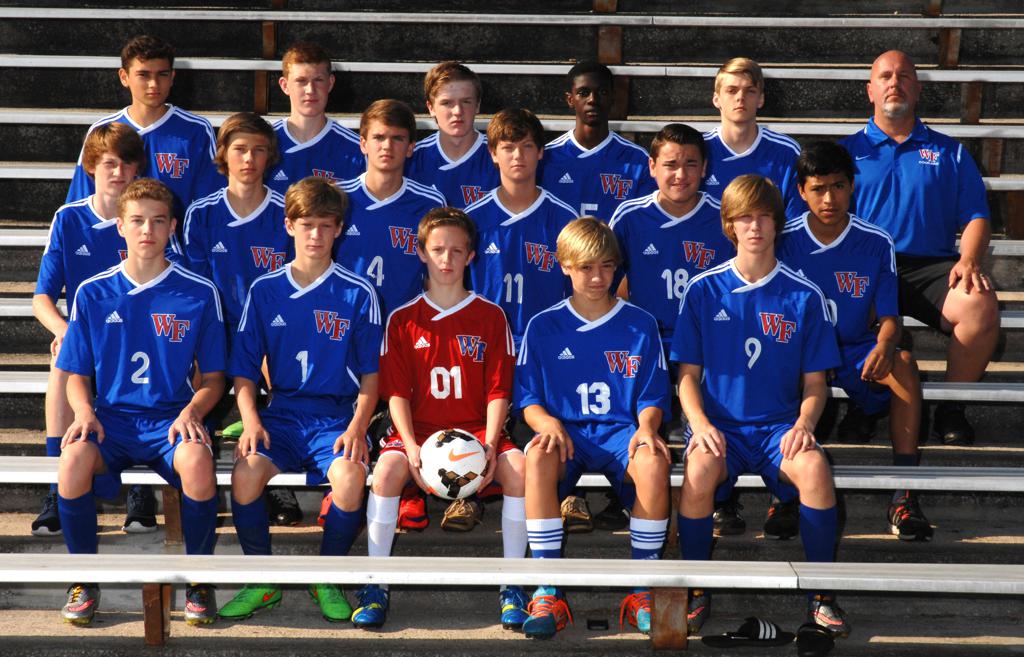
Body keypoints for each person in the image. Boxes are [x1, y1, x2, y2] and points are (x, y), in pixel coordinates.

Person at [671, 174, 848, 638]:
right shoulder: (704, 290)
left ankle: (822, 595)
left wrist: (805, 424)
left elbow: (816, 383)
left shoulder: (804, 295)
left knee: (813, 469)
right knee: (699, 470)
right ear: (730, 225)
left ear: (777, 223)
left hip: (777, 428)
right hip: (721, 425)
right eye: (744, 218)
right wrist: (700, 424)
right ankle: (696, 587)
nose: (754, 227)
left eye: (763, 216)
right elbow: (686, 378)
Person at [55, 179, 225, 626]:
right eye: (137, 221)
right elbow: (76, 374)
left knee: (197, 463)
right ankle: (83, 580)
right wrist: (85, 411)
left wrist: (193, 411)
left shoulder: (199, 291)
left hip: (171, 418)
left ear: (172, 227)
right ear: (120, 226)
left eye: (157, 221)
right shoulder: (93, 291)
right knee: (71, 461)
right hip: (110, 419)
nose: (147, 229)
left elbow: (213, 379)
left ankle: (199, 581)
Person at [217, 177, 381, 624]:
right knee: (246, 473)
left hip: (334, 418)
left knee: (348, 477)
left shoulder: (357, 292)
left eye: (326, 226)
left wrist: (357, 427)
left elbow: (372, 375)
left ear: (339, 230)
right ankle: (262, 579)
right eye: (307, 224)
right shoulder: (265, 290)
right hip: (282, 414)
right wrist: (251, 420)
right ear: (289, 226)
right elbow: (245, 371)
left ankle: (325, 574)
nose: (316, 235)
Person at [355, 207, 527, 630]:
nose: (446, 259)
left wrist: (488, 445)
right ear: (421, 253)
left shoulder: (491, 316)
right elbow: (396, 393)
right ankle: (376, 583)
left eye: (456, 250)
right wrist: (411, 446)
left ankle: (515, 585)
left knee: (520, 470)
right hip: (421, 432)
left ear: (471, 256)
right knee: (387, 472)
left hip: (476, 431)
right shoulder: (403, 319)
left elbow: (499, 390)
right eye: (437, 250)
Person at [516, 217, 672, 640]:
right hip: (567, 433)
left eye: (606, 266)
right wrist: (547, 422)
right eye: (586, 268)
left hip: (621, 431)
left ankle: (643, 588)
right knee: (538, 454)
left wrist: (647, 427)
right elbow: (528, 400)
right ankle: (548, 587)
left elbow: (653, 396)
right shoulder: (543, 325)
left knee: (655, 461)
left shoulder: (640, 324)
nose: (598, 277)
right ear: (564, 265)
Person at [839, 50, 998, 446]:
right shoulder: (843, 153)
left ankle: (952, 405)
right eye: (886, 76)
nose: (895, 83)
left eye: (905, 76)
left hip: (931, 267)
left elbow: (977, 216)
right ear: (870, 91)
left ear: (919, 88)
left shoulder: (950, 152)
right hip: (867, 267)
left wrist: (969, 259)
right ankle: (864, 403)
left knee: (979, 301)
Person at [778, 141, 930, 541]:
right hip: (801, 352)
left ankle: (903, 492)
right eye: (818, 188)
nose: (829, 198)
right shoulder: (783, 240)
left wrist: (884, 344)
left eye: (838, 186)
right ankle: (785, 493)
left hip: (854, 348)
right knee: (775, 367)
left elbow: (890, 317)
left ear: (852, 186)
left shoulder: (876, 241)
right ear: (801, 191)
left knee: (903, 364)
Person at [30, 123, 146, 537]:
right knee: (63, 360)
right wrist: (65, 329)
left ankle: (139, 490)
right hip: (87, 335)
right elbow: (41, 298)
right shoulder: (69, 218)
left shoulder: (147, 216)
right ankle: (55, 491)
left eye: (127, 164)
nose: (118, 172)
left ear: (137, 170)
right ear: (91, 167)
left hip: (139, 335)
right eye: (109, 163)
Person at [65, 34, 221, 228]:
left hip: (175, 250)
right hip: (114, 246)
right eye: (143, 75)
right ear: (124, 77)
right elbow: (81, 203)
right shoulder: (102, 131)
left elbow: (211, 205)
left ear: (172, 77)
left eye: (162, 74)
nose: (154, 84)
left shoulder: (196, 131)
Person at [609, 122, 735, 354]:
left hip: (710, 341)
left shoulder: (725, 218)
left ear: (704, 167)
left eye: (691, 164)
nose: (681, 175)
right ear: (652, 166)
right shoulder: (630, 217)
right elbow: (606, 282)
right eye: (670, 165)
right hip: (646, 341)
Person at [335, 99, 446, 315]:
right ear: (363, 144)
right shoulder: (338, 197)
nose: (387, 146)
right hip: (347, 321)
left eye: (397, 138)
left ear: (410, 147)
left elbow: (438, 275)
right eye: (378, 137)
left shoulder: (431, 204)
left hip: (407, 325)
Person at [538, 62, 655, 221]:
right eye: (583, 92)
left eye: (602, 92)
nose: (592, 99)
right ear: (570, 99)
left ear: (613, 97)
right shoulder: (546, 158)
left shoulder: (638, 160)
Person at [701, 57, 805, 219]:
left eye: (750, 91)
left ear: (761, 99)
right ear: (716, 99)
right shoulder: (699, 149)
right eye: (731, 90)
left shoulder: (786, 151)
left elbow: (794, 221)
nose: (740, 97)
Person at [265, 42, 365, 193]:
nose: (310, 90)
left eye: (318, 80)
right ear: (284, 85)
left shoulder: (356, 150)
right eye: (301, 81)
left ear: (330, 83)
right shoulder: (263, 144)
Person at [406, 61, 500, 208]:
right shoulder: (411, 158)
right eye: (447, 103)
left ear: (477, 105)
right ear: (431, 108)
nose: (457, 111)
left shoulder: (501, 156)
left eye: (466, 101)